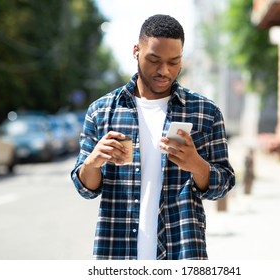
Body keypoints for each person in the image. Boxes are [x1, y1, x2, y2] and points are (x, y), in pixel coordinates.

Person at [71, 14, 235, 260]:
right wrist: (93, 162)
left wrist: (197, 165)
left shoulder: (205, 112)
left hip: (182, 251)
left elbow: (223, 185)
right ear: (136, 51)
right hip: (117, 251)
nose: (164, 71)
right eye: (154, 60)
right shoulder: (102, 111)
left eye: (174, 62)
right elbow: (86, 189)